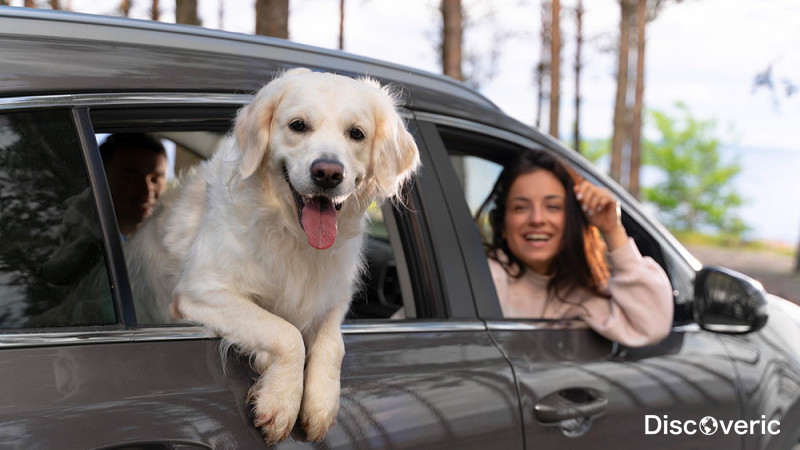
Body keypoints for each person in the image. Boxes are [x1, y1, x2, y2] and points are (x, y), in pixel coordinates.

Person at [478, 150, 673, 347]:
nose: (537, 219)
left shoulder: (581, 291)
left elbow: (651, 326)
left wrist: (613, 231)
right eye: (520, 208)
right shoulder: (485, 279)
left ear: (572, 219)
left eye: (553, 206)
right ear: (503, 224)